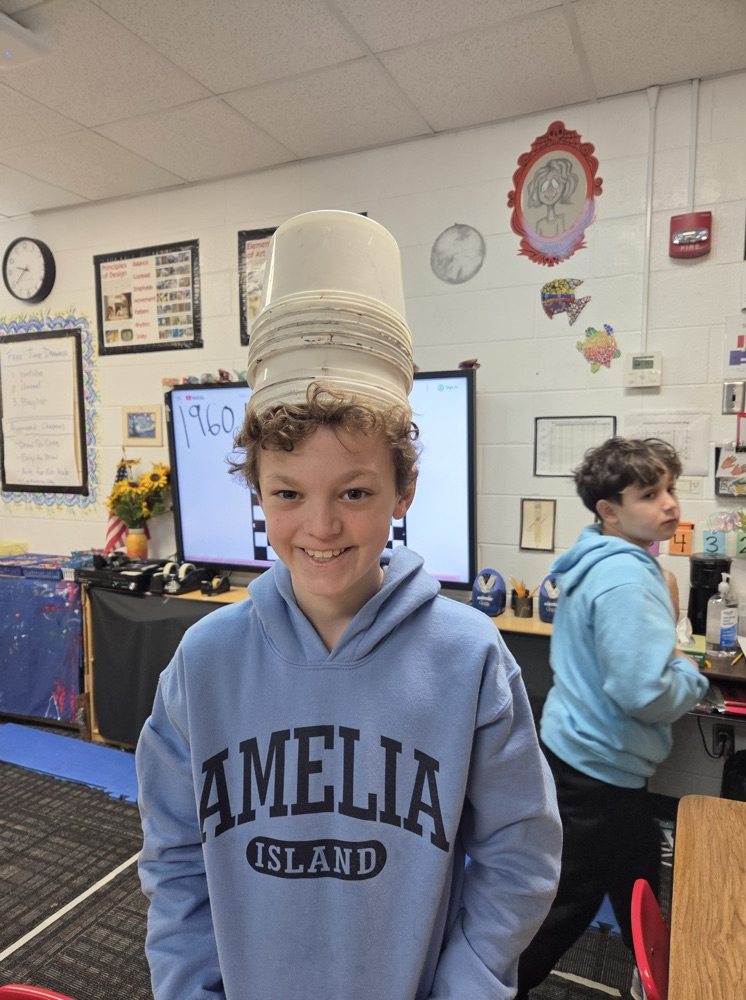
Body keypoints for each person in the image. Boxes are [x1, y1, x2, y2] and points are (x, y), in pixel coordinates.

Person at [136, 383, 562, 1000]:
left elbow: (519, 856)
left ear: (403, 492)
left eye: (355, 492)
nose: (321, 524)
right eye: (288, 493)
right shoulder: (203, 661)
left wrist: (468, 986)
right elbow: (174, 860)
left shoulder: (469, 656)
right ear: (259, 496)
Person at [515, 437, 709, 1000]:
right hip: (599, 765)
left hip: (581, 750)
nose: (669, 504)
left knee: (636, 871)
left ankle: (660, 976)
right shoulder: (626, 579)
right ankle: (494, 987)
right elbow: (643, 691)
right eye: (650, 494)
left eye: (669, 488)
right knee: (571, 899)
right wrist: (690, 678)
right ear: (609, 509)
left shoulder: (597, 554)